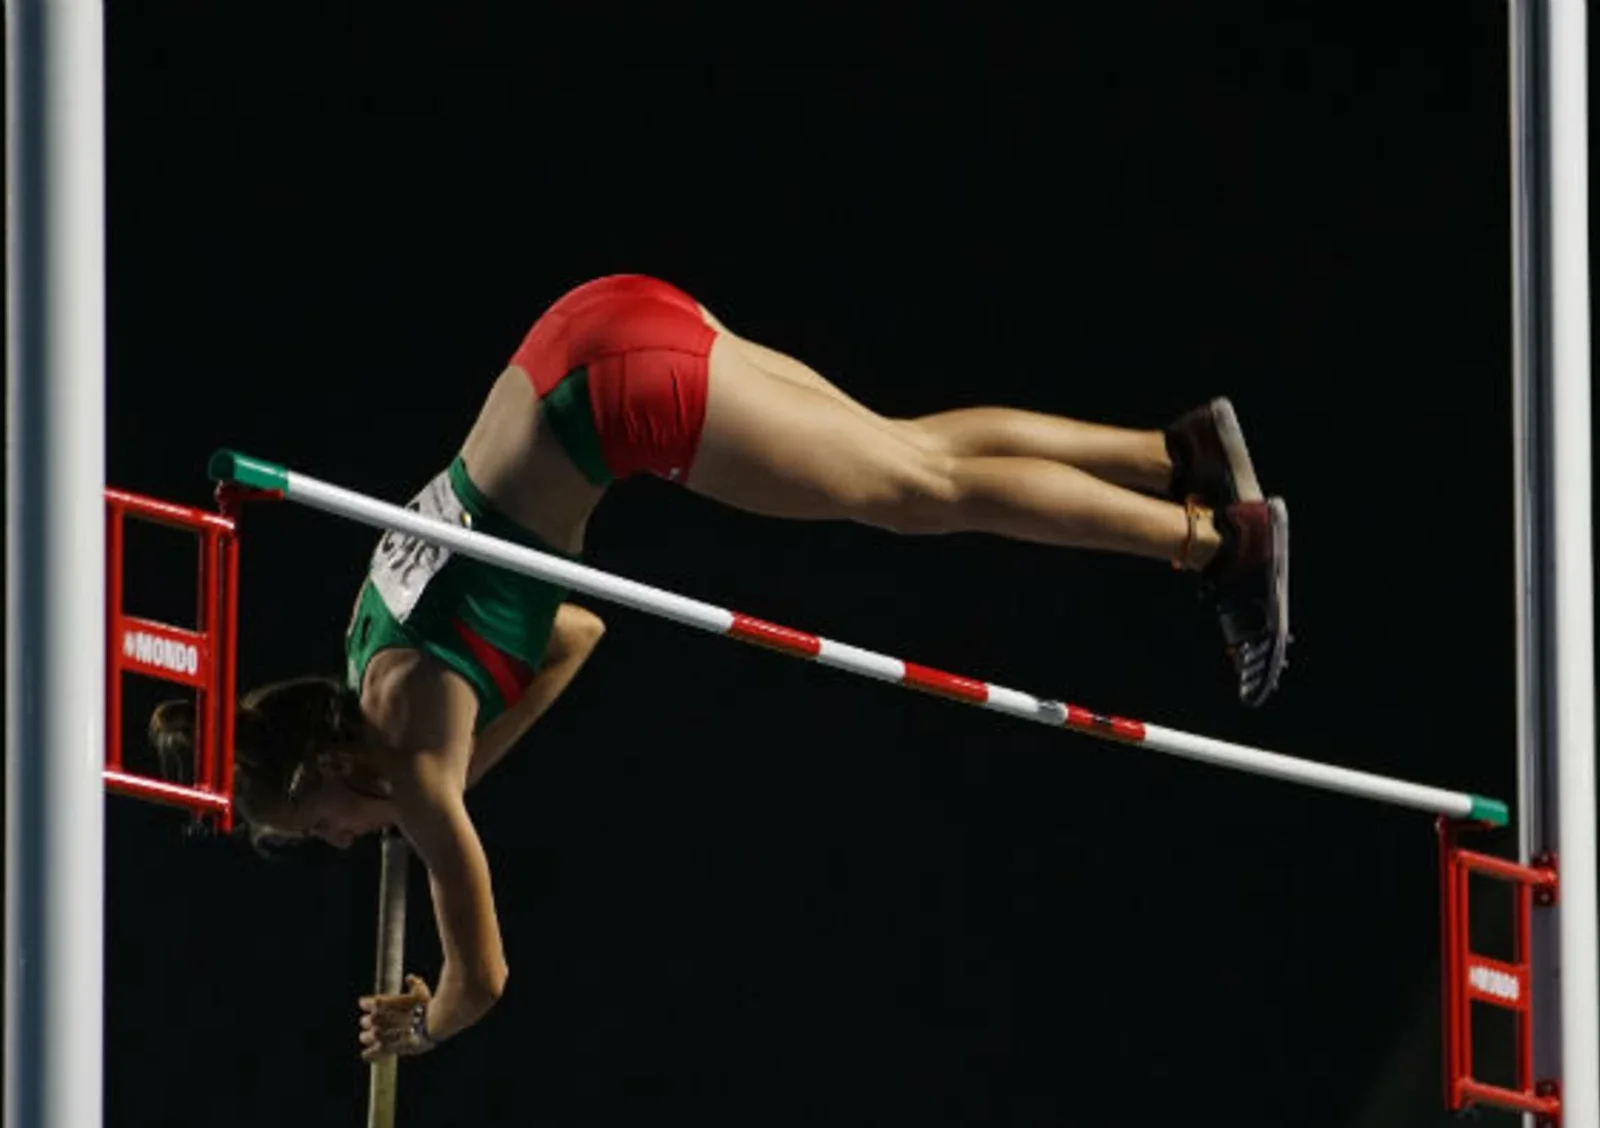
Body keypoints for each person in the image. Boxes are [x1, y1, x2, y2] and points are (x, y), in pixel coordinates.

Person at [149, 273, 1290, 1061]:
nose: (346, 847)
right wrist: (438, 794)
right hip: (586, 330)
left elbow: (482, 981)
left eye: (321, 834)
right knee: (908, 453)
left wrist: (421, 1022)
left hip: (615, 397)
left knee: (919, 496)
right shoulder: (373, 649)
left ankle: (1213, 542)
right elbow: (575, 636)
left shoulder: (414, 759)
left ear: (325, 778)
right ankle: (1176, 452)